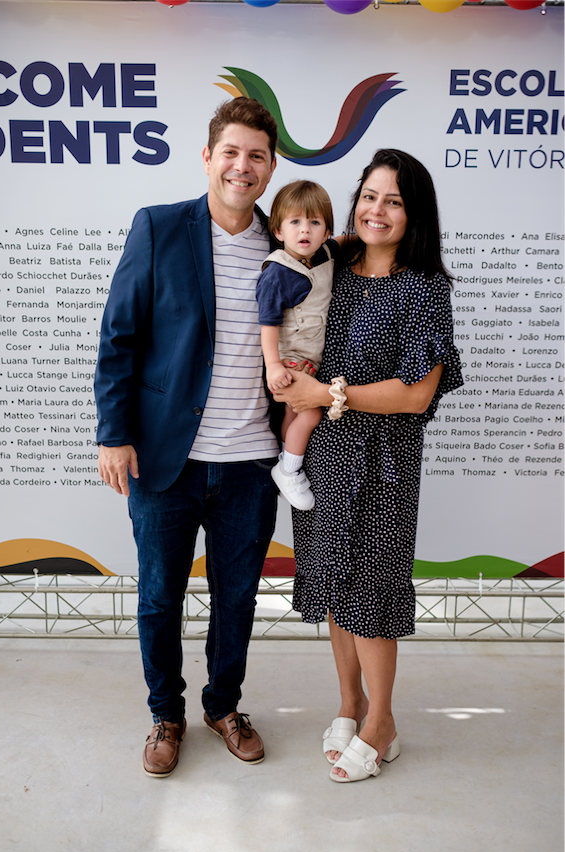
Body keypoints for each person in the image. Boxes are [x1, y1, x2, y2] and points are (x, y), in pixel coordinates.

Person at [94, 97, 281, 777]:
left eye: (255, 155)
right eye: (230, 152)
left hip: (249, 463)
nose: (242, 166)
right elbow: (119, 337)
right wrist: (113, 435)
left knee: (237, 597)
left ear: (269, 166)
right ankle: (164, 714)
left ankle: (222, 705)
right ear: (207, 157)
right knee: (158, 596)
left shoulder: (287, 247)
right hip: (163, 456)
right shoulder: (159, 228)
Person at [272, 149, 464, 783]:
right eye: (370, 195)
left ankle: (382, 720)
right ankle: (350, 703)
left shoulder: (424, 287)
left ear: (415, 214)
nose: (377, 210)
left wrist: (328, 395)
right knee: (332, 582)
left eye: (395, 200)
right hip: (324, 454)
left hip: (384, 461)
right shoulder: (331, 260)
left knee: (373, 590)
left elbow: (416, 394)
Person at [256, 181, 337, 511]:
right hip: (288, 361)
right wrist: (274, 365)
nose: (305, 230)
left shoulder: (326, 256)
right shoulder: (277, 273)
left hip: (309, 359)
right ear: (278, 230)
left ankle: (287, 458)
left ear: (327, 231)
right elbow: (268, 325)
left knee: (295, 412)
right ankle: (289, 469)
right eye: (295, 222)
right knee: (312, 411)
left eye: (314, 223)